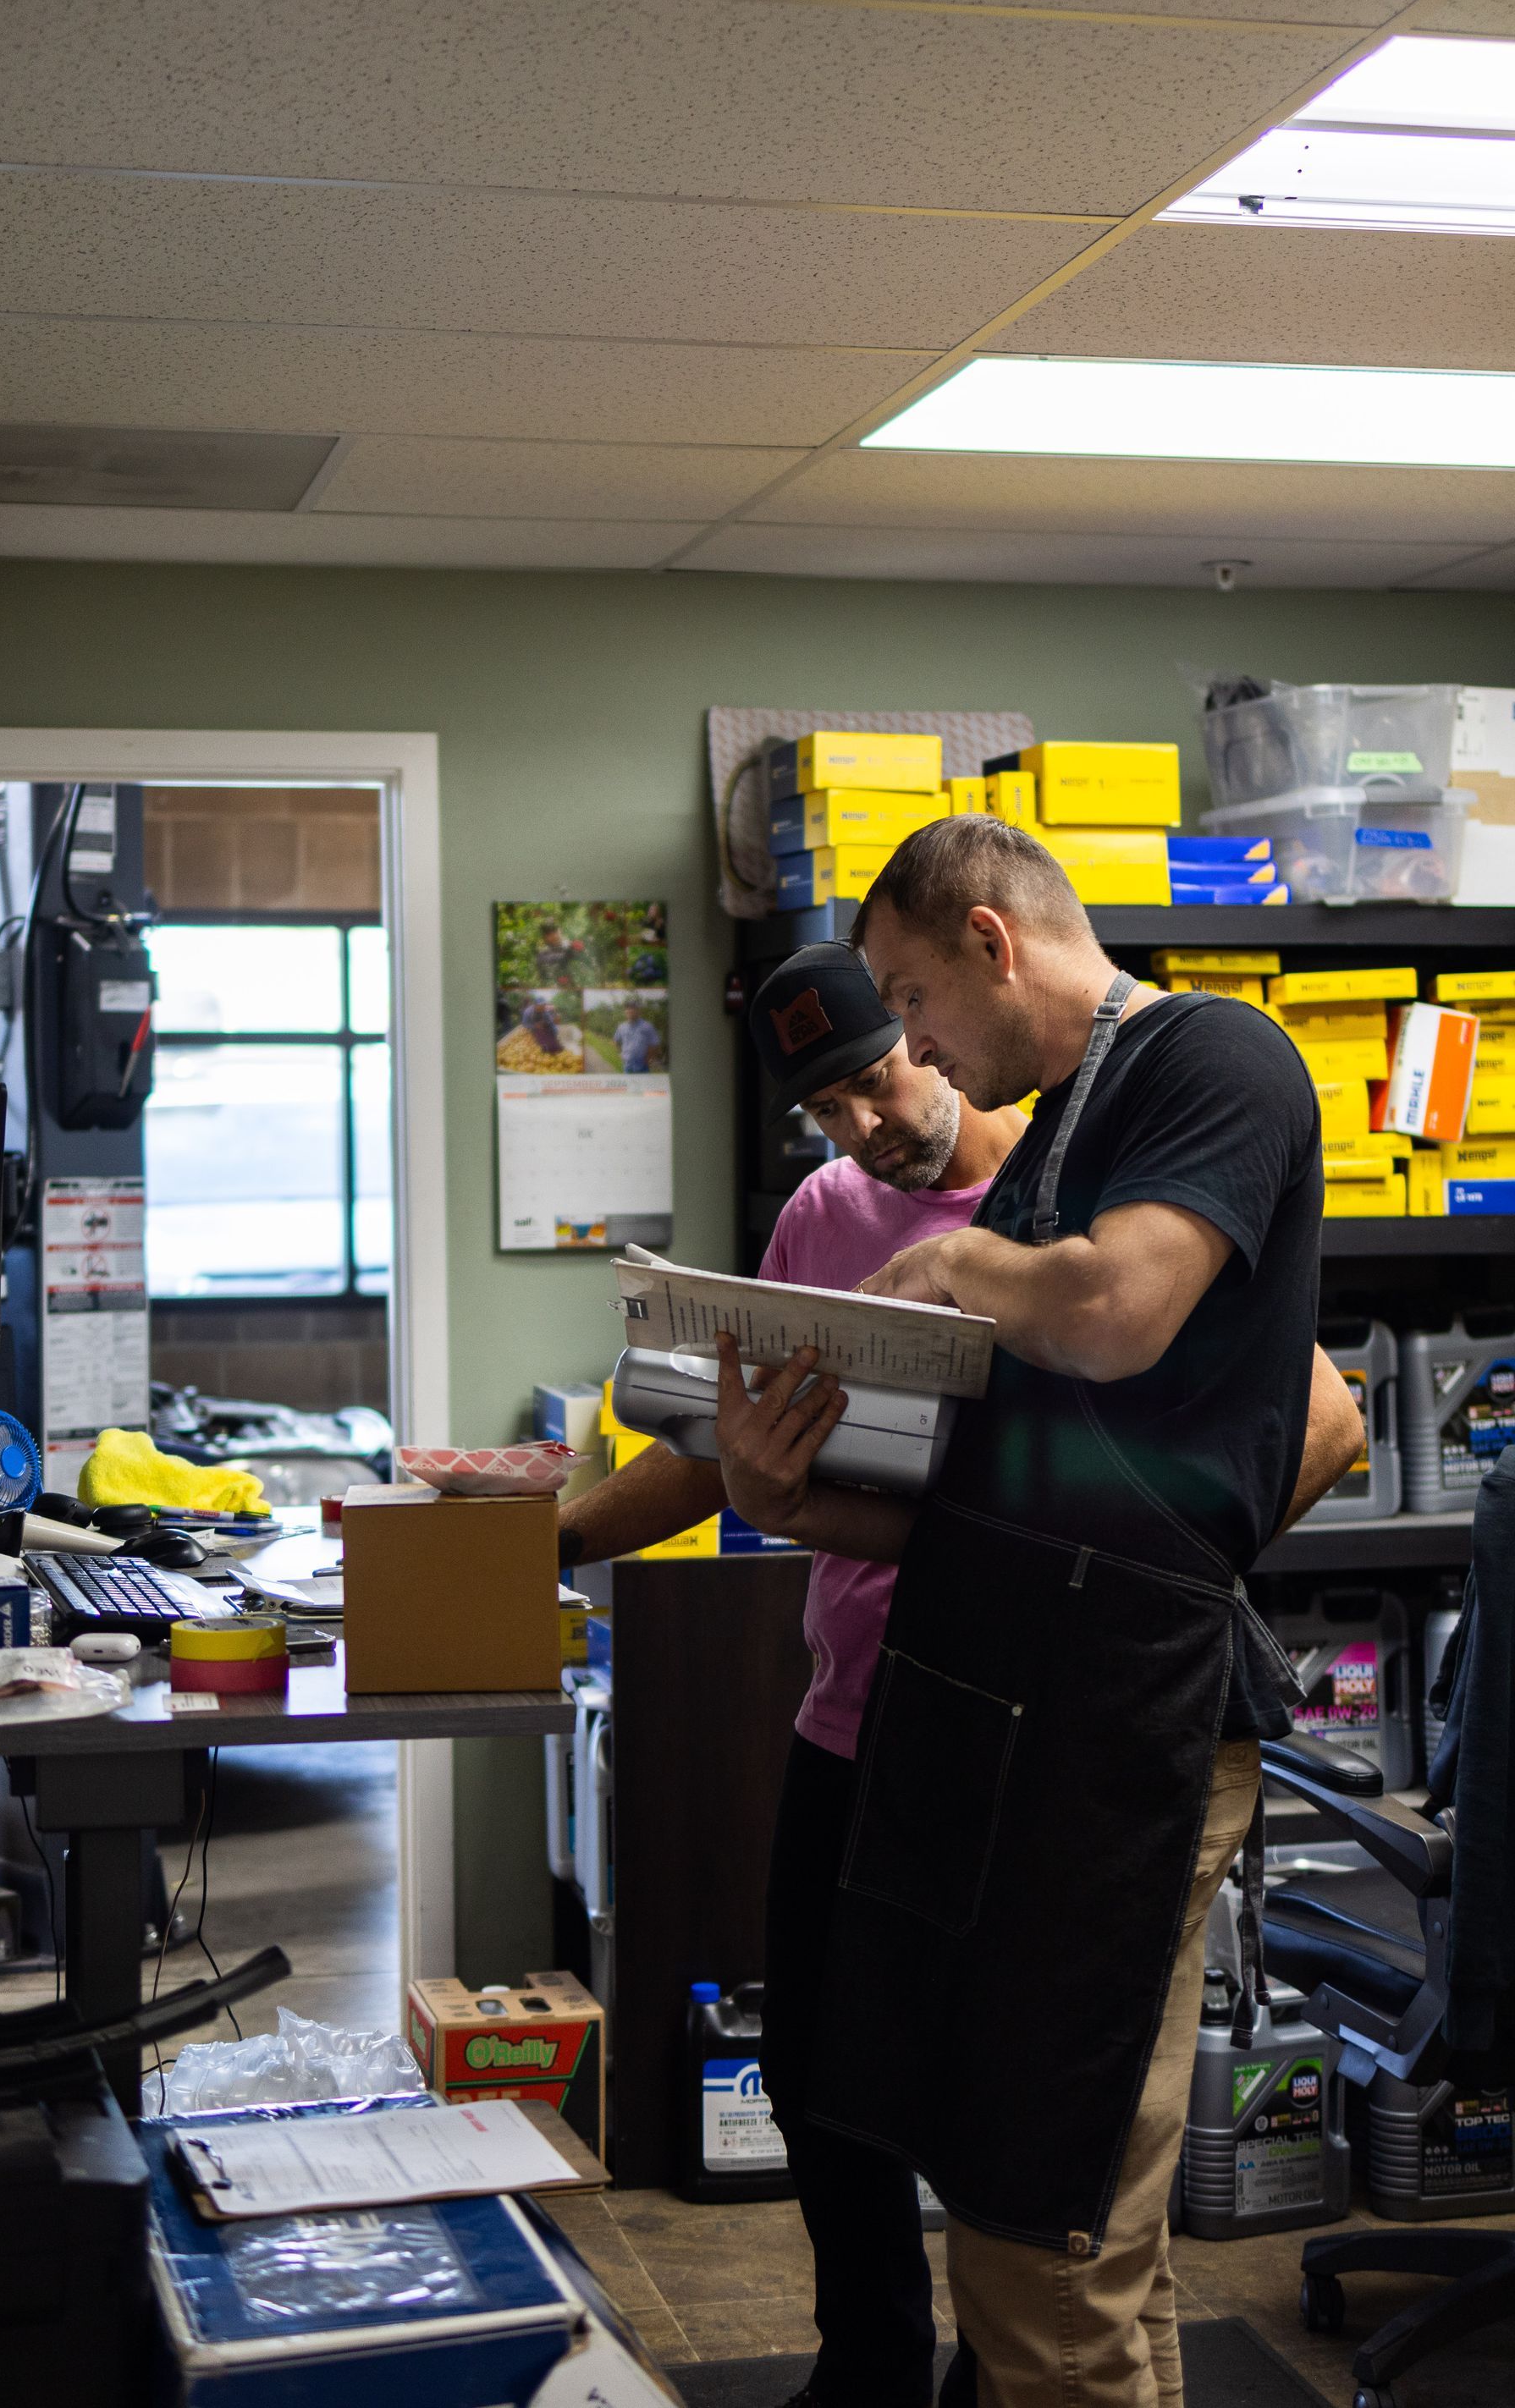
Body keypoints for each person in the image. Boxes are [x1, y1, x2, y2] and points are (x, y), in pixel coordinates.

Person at [561, 934, 1360, 2408]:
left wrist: (1149, 1569)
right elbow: (731, 1444)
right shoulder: (828, 1214)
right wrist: (570, 1533)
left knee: (1036, 2159)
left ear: (940, 1018)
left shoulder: (1088, 1187)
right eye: (826, 1108)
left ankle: (996, 2372)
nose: (865, 1122)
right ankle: (876, 2363)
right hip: (869, 1703)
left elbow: (1318, 1416)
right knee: (836, 2069)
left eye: (881, 1071)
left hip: (1054, 1722)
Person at [613, 998, 663, 1074]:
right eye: (627, 1008)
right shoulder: (621, 1027)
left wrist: (650, 1058)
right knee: (628, 1082)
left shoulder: (647, 1026)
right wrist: (620, 1053)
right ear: (625, 1012)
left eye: (633, 1008)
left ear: (638, 1011)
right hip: (627, 1065)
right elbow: (616, 1040)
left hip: (643, 1066)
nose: (630, 1011)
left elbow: (655, 1044)